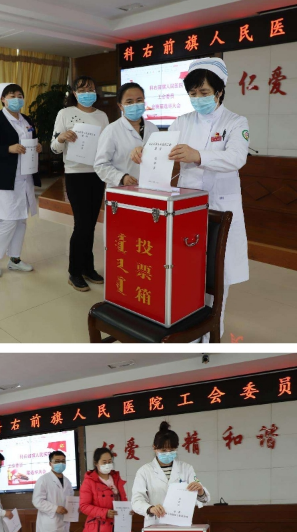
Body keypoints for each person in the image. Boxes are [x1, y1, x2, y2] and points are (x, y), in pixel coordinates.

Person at [131, 58, 248, 339]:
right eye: (193, 94)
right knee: (188, 269)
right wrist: (144, 151)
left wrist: (199, 156)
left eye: (204, 92)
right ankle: (190, 329)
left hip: (220, 206)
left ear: (219, 91)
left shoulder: (235, 122)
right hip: (188, 208)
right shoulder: (182, 121)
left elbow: (237, 158)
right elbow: (162, 148)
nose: (198, 99)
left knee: (217, 275)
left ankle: (212, 334)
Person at [51, 76, 109, 292]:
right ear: (74, 93)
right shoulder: (64, 114)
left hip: (97, 174)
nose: (87, 93)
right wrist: (61, 138)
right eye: (82, 89)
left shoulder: (102, 116)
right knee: (81, 224)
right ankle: (74, 271)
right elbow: (54, 147)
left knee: (91, 223)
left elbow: (107, 144)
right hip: (75, 174)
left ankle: (88, 267)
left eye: (91, 89)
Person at [0, 83, 42, 277]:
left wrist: (37, 146)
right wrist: (8, 148)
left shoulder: (27, 120)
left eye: (20, 95)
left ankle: (15, 259)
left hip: (25, 176)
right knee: (8, 219)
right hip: (4, 178)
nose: (17, 99)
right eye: (12, 96)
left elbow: (31, 140)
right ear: (3, 99)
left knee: (21, 219)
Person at [94, 82, 158, 188]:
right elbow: (100, 165)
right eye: (129, 102)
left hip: (150, 188)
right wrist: (122, 177)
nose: (135, 104)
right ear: (120, 106)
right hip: (122, 189)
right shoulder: (111, 130)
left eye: (139, 100)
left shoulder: (153, 128)